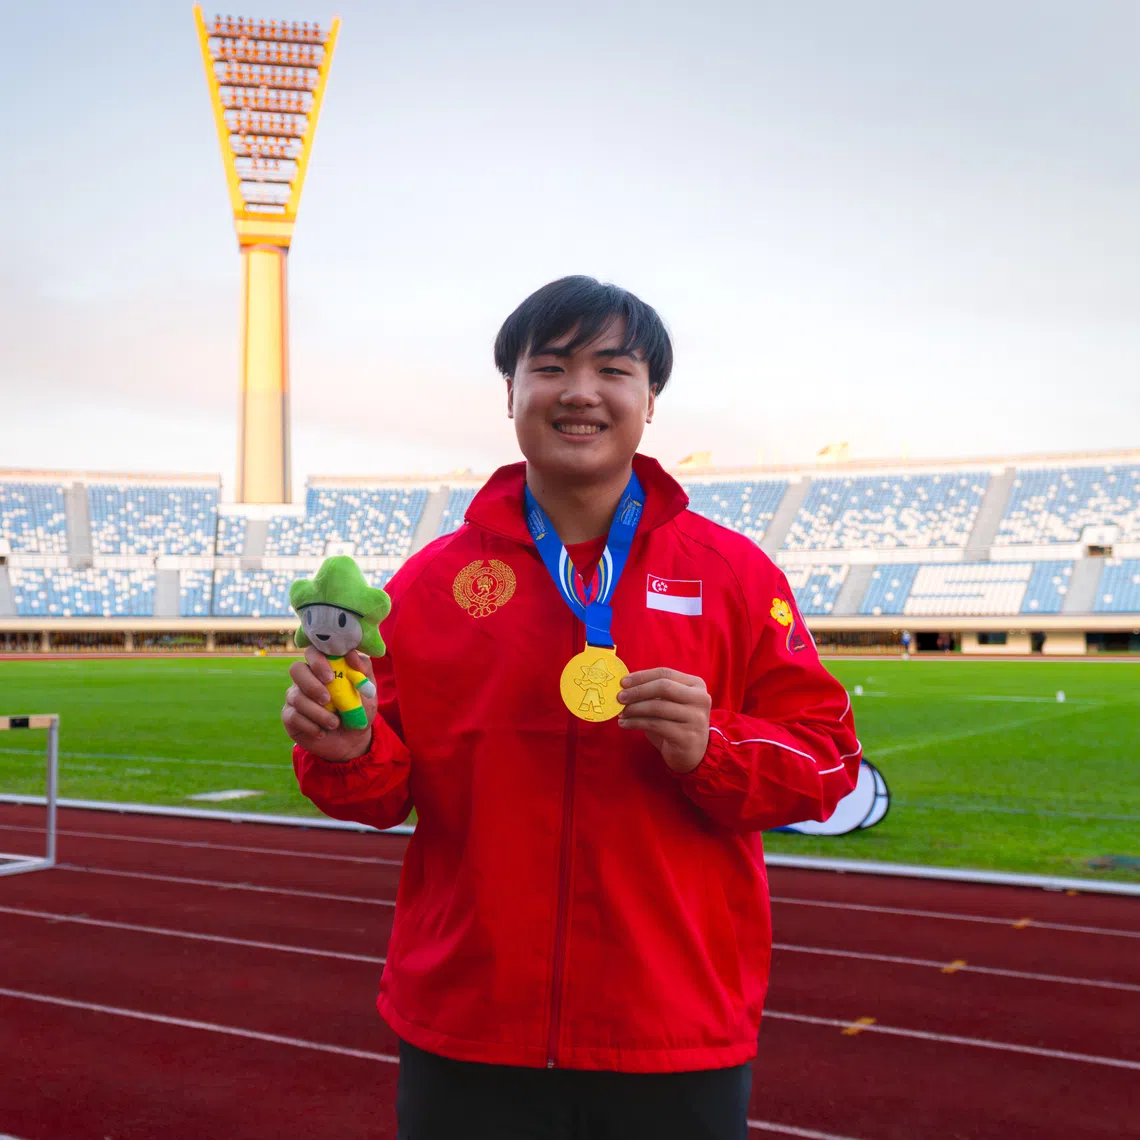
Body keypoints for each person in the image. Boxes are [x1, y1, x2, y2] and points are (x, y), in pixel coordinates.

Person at [282, 276, 862, 1140]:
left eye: (613, 369)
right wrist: (340, 749)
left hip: (672, 1029)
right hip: (470, 1024)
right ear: (510, 393)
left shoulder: (735, 576)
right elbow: (381, 793)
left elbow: (828, 765)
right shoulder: (431, 586)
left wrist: (714, 747)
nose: (580, 392)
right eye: (549, 366)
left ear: (650, 399)